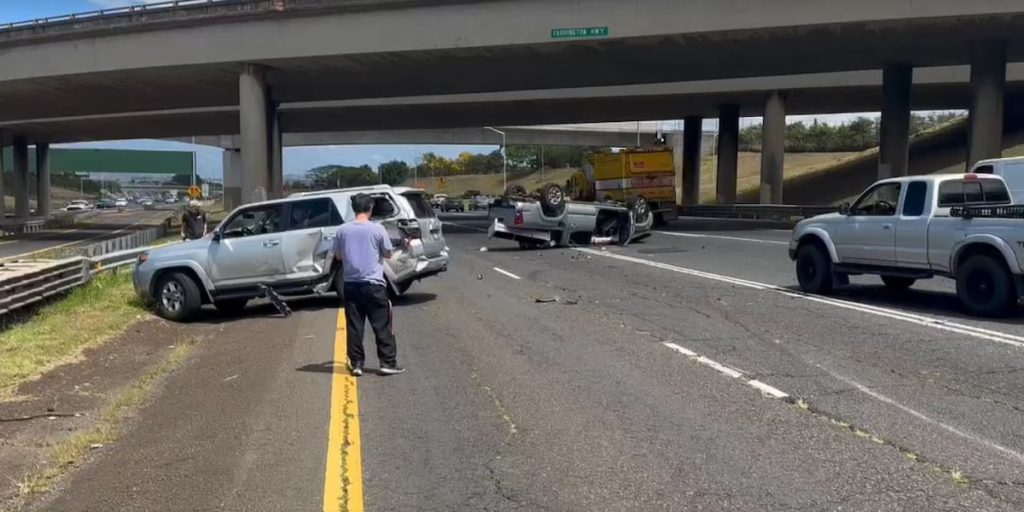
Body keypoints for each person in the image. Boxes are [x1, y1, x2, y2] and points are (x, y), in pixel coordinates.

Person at [334, 193, 405, 376]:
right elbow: (388, 253)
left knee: (355, 326)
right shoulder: (377, 229)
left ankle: (357, 363)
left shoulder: (342, 230)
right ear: (370, 208)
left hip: (350, 284)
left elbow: (338, 256)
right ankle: (387, 362)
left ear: (354, 208)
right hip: (374, 284)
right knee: (382, 324)